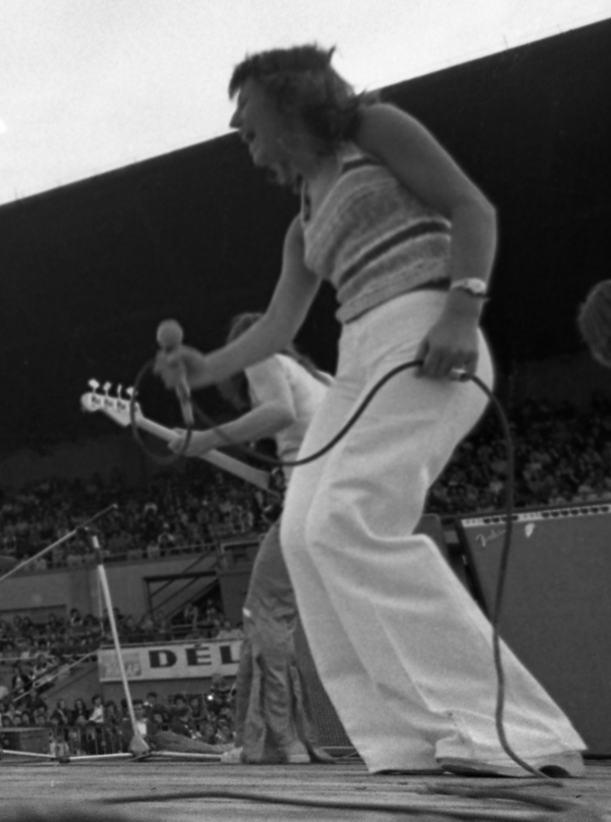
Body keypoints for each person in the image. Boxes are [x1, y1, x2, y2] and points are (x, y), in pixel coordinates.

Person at [157, 45, 584, 777]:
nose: (236, 127)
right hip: (359, 354)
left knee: (347, 519)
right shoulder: (302, 218)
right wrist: (207, 366)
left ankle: (521, 734)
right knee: (305, 535)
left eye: (245, 108)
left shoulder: (371, 131)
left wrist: (462, 308)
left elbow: (471, 208)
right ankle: (407, 737)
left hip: (423, 325)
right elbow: (278, 327)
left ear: (289, 97)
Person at [169, 312, 333, 764]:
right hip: (344, 498)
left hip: (310, 503)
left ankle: (279, 742)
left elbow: (279, 411)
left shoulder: (263, 359)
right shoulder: (321, 378)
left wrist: (208, 437)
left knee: (265, 614)